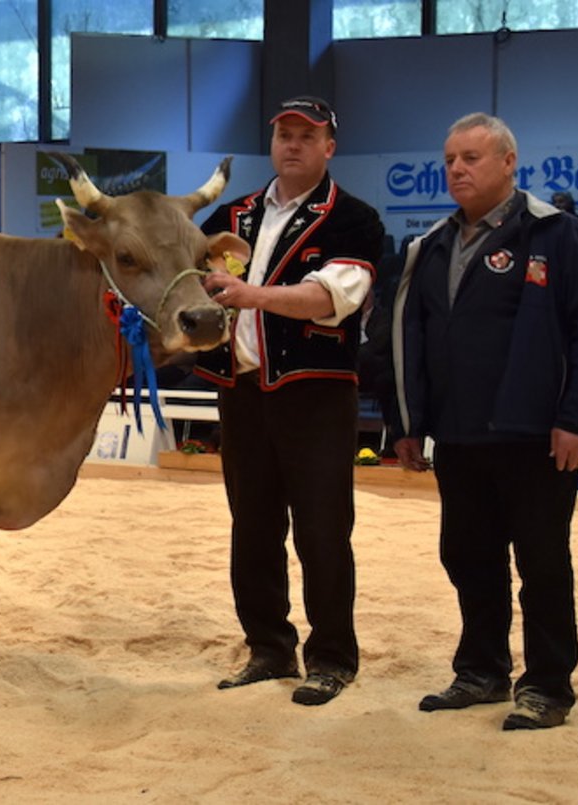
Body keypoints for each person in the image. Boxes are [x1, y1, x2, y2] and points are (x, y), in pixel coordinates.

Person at [391, 113, 578, 730]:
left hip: (538, 436)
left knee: (542, 563)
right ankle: (482, 670)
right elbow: (408, 336)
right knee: (467, 556)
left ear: (509, 162)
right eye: (449, 160)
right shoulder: (430, 244)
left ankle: (546, 685)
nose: (457, 169)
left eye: (471, 157)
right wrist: (409, 423)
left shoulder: (559, 235)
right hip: (458, 436)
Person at [197, 96, 384, 706]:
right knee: (251, 528)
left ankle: (331, 657)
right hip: (243, 393)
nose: (293, 144)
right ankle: (268, 648)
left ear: (330, 146)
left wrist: (250, 294)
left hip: (318, 396)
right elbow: (190, 274)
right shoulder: (235, 214)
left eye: (308, 135)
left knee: (323, 532)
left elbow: (328, 297)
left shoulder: (352, 219)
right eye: (284, 133)